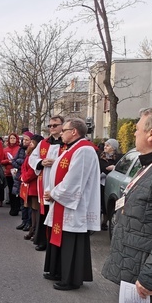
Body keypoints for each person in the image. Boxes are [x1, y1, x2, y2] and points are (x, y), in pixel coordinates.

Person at [102, 107, 152, 303]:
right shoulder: (150, 166)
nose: (133, 132)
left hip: (150, 277)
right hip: (140, 265)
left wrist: (150, 276)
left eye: (137, 128)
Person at [42, 118, 100, 291]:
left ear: (74, 131)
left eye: (64, 130)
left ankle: (71, 279)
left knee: (71, 240)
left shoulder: (84, 150)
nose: (61, 133)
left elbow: (75, 181)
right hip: (63, 202)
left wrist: (54, 194)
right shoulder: (72, 148)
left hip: (75, 205)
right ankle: (58, 271)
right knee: (61, 236)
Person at [29, 115, 65, 252]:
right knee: (44, 212)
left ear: (63, 126)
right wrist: (41, 162)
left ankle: (56, 242)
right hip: (45, 180)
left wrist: (55, 163)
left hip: (60, 182)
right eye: (50, 126)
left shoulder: (67, 142)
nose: (52, 128)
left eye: (55, 125)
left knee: (57, 212)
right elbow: (33, 157)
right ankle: (43, 240)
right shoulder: (43, 143)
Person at [18, 134, 44, 241]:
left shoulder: (38, 156)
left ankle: (36, 231)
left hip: (34, 185)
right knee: (32, 210)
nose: (30, 144)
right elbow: (24, 167)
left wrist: (25, 177)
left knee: (36, 210)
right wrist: (23, 176)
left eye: (33, 142)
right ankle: (32, 230)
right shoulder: (29, 155)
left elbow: (34, 170)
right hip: (28, 185)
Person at [98, 138, 121, 230]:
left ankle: (104, 222)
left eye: (108, 145)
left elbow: (120, 168)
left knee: (106, 203)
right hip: (100, 182)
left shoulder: (119, 158)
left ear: (114, 148)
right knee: (99, 202)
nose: (105, 147)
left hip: (110, 183)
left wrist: (114, 168)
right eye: (105, 145)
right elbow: (100, 167)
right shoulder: (100, 156)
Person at [12, 131, 32, 231]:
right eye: (24, 139)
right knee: (22, 201)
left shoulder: (32, 150)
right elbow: (14, 161)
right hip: (19, 178)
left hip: (27, 178)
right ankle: (24, 221)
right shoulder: (20, 149)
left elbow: (29, 163)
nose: (25, 141)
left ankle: (29, 222)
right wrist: (21, 163)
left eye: (27, 140)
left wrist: (22, 163)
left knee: (27, 202)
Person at [2, 133, 20, 216]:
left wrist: (14, 161)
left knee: (17, 191)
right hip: (9, 173)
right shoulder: (5, 150)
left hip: (17, 172)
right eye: (11, 138)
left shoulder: (19, 149)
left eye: (14, 138)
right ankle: (13, 207)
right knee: (11, 190)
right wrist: (8, 161)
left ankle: (18, 207)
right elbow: (1, 161)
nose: (12, 139)